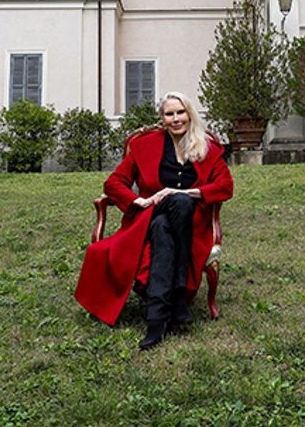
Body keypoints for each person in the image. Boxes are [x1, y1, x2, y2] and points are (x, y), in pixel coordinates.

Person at [74, 92, 234, 350]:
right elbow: (113, 183)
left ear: (189, 114)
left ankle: (156, 319)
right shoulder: (144, 145)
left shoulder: (208, 147)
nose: (176, 119)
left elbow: (226, 186)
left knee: (169, 219)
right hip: (148, 216)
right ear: (162, 119)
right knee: (161, 218)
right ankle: (178, 297)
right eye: (169, 114)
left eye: (180, 112)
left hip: (191, 224)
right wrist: (139, 201)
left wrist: (182, 193)